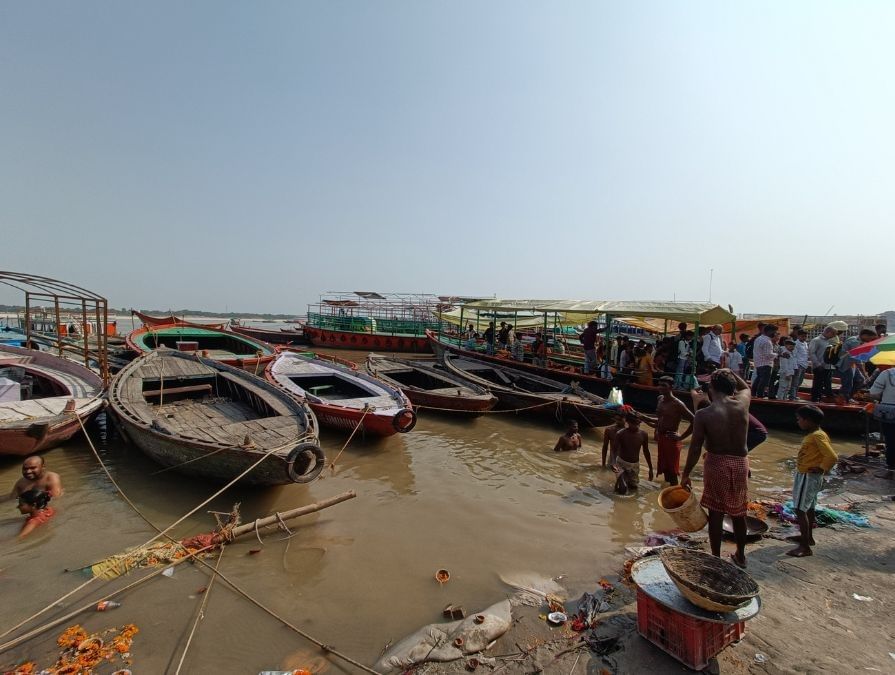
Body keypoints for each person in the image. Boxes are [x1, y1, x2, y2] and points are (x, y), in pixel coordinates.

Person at [681, 369, 751, 568]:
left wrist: (685, 474)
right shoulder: (742, 404)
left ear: (711, 389)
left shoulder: (704, 414)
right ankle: (741, 556)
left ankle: (715, 557)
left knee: (716, 513)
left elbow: (695, 448)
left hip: (717, 463)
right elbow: (745, 387)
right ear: (731, 389)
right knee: (739, 512)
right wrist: (730, 372)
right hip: (740, 463)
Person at [787, 405, 838, 557]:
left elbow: (832, 456)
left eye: (799, 419)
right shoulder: (817, 434)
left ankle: (804, 547)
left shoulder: (817, 436)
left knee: (800, 509)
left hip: (808, 476)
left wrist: (822, 468)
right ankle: (807, 538)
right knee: (809, 507)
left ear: (807, 420)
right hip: (806, 474)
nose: (798, 422)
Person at [642, 377, 694, 485]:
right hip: (661, 438)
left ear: (671, 387)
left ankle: (675, 493)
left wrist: (681, 437)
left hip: (671, 440)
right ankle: (666, 493)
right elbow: (660, 420)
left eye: (664, 385)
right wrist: (642, 417)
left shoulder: (678, 404)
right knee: (664, 468)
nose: (660, 387)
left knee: (672, 470)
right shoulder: (660, 399)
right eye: (659, 384)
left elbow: (694, 421)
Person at [613, 413, 653, 494]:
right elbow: (614, 450)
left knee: (633, 488)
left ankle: (619, 484)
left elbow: (646, 451)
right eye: (633, 424)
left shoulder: (643, 434)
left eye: (638, 424)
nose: (636, 426)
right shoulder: (620, 434)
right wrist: (613, 463)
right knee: (623, 489)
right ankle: (619, 483)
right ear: (627, 422)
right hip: (621, 463)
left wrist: (650, 469)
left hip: (635, 465)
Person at [868, 364, 895, 479]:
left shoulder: (888, 373)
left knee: (891, 441)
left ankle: (891, 470)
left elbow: (873, 393)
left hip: (890, 413)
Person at [838, 329, 875, 402]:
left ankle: (849, 396)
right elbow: (858, 360)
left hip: (852, 365)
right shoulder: (854, 342)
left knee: (860, 380)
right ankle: (843, 399)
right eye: (870, 338)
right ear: (865, 335)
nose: (870, 340)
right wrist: (865, 374)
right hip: (845, 364)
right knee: (848, 383)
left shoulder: (858, 341)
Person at [809, 325, 839, 402]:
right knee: (818, 383)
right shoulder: (816, 340)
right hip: (819, 366)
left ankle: (823, 397)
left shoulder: (828, 341)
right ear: (828, 332)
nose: (834, 336)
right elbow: (812, 353)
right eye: (833, 334)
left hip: (827, 366)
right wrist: (818, 364)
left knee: (826, 382)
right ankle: (815, 398)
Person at [790, 329, 810, 400]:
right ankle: (792, 396)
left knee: (800, 381)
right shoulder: (795, 344)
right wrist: (795, 366)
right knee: (795, 381)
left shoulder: (805, 344)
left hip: (804, 364)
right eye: (802, 336)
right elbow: (794, 356)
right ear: (798, 336)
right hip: (798, 364)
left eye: (805, 336)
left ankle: (795, 394)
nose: (804, 338)